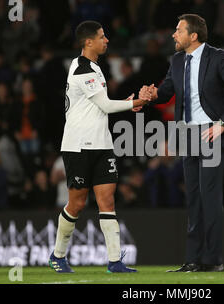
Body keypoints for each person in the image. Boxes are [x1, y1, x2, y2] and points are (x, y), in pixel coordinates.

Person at [139, 14, 224, 272]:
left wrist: (222, 124)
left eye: (178, 30)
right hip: (188, 135)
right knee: (193, 198)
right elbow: (166, 91)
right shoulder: (177, 60)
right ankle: (192, 260)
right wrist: (150, 95)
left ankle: (212, 261)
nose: (173, 35)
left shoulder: (219, 57)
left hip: (212, 134)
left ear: (193, 36)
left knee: (209, 198)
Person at [48, 20, 151, 273]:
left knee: (107, 201)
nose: (107, 40)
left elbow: (100, 105)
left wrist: (128, 102)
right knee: (77, 204)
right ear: (88, 42)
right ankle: (57, 255)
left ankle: (115, 261)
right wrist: (136, 101)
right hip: (78, 146)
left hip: (102, 144)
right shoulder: (83, 68)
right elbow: (105, 106)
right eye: (102, 36)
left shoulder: (91, 66)